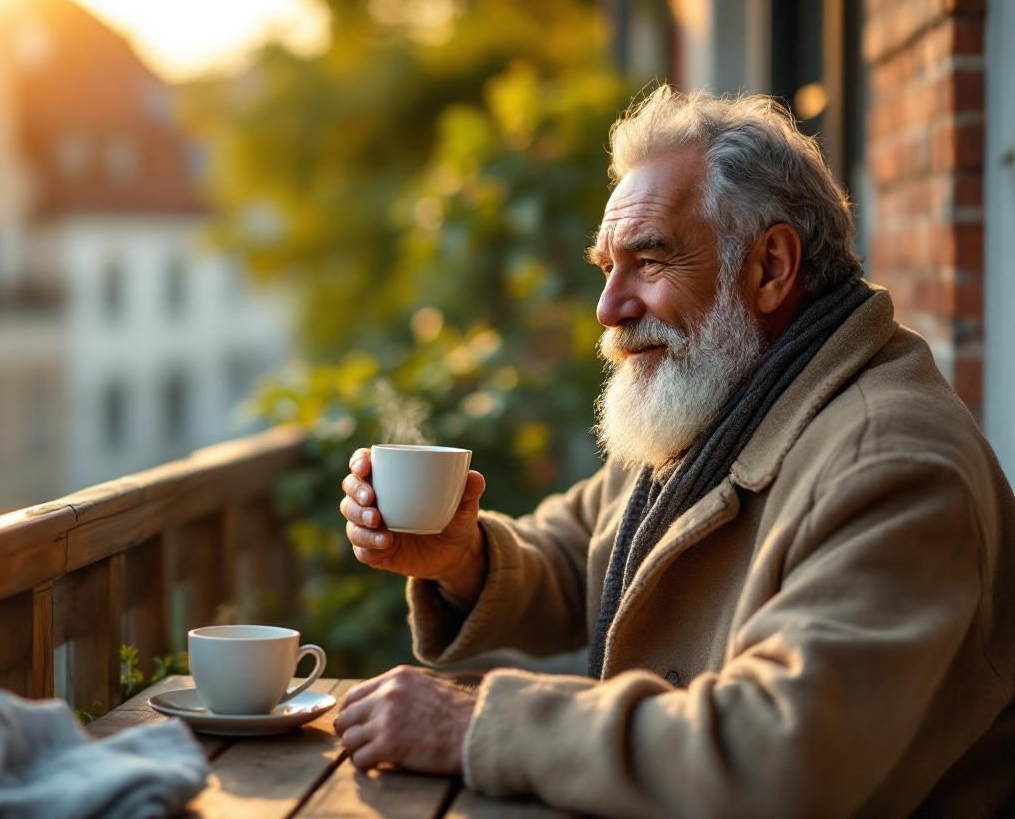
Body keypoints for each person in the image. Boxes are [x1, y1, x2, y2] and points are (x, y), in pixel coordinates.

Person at [332, 86, 1015, 817]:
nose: (609, 309)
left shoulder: (892, 463)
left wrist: (476, 725)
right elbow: (580, 557)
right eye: (606, 268)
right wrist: (461, 559)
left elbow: (779, 757)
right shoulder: (721, 394)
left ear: (771, 267)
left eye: (648, 261)